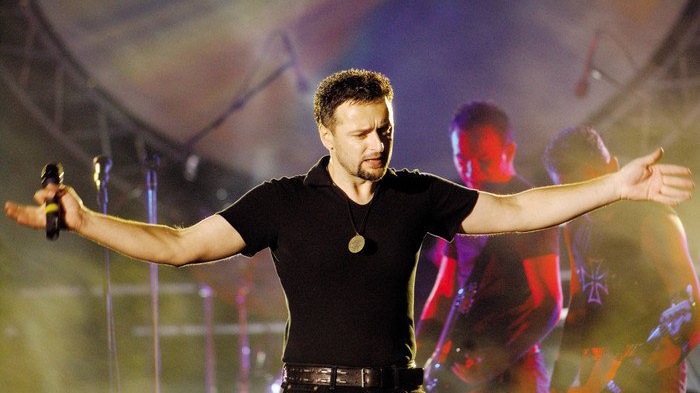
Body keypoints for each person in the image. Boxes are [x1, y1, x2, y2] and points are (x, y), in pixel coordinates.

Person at [4, 69, 694, 393]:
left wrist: (614, 187)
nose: (377, 143)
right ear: (327, 135)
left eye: (384, 129)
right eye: (361, 132)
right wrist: (85, 219)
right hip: (312, 389)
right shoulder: (281, 203)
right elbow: (181, 246)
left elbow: (515, 212)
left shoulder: (415, 195)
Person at [416, 101, 561, 392]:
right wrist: (414, 358)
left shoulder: (530, 207)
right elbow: (444, 291)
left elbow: (549, 304)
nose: (471, 171)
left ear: (509, 151)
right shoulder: (461, 206)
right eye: (461, 159)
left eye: (483, 159)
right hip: (462, 364)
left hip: (514, 370)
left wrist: (497, 360)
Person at [543, 126, 700, 392]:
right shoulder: (575, 226)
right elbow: (579, 303)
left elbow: (692, 308)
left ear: (612, 168)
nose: (582, 199)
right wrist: (560, 381)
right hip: (594, 368)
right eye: (569, 189)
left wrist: (636, 370)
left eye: (586, 184)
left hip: (649, 373)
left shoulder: (652, 219)